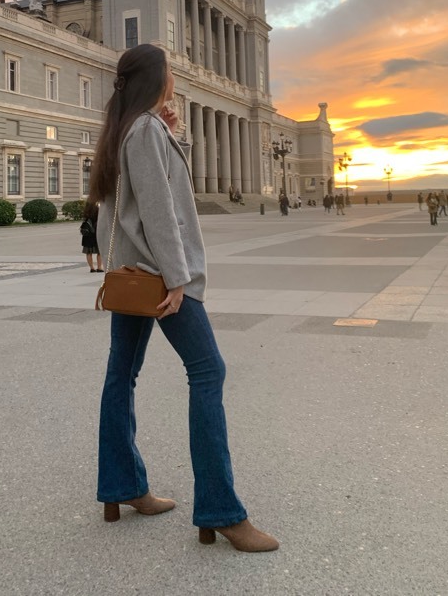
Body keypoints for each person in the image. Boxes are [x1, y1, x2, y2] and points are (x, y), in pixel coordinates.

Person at [90, 43, 278, 553]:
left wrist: (172, 134)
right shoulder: (145, 130)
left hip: (129, 274)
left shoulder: (125, 128)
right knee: (208, 372)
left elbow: (123, 207)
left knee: (121, 374)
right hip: (161, 278)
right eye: (170, 71)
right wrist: (178, 278)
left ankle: (121, 488)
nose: (175, 77)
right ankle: (220, 510)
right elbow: (159, 209)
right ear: (158, 78)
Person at [80, 198, 103, 273]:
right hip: (96, 233)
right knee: (99, 252)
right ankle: (99, 267)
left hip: (87, 235)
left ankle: (92, 268)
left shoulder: (86, 212)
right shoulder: (98, 211)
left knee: (88, 252)